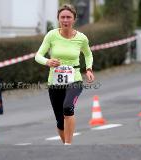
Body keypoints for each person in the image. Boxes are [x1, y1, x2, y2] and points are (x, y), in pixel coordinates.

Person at [35, 4, 94, 145]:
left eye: (68, 17)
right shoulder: (51, 35)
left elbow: (88, 54)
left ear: (74, 19)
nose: (65, 20)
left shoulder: (81, 38)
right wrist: (47, 61)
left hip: (75, 79)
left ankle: (69, 145)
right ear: (58, 19)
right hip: (54, 81)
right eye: (62, 17)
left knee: (68, 107)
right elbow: (38, 55)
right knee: (60, 121)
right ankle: (65, 146)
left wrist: (89, 69)